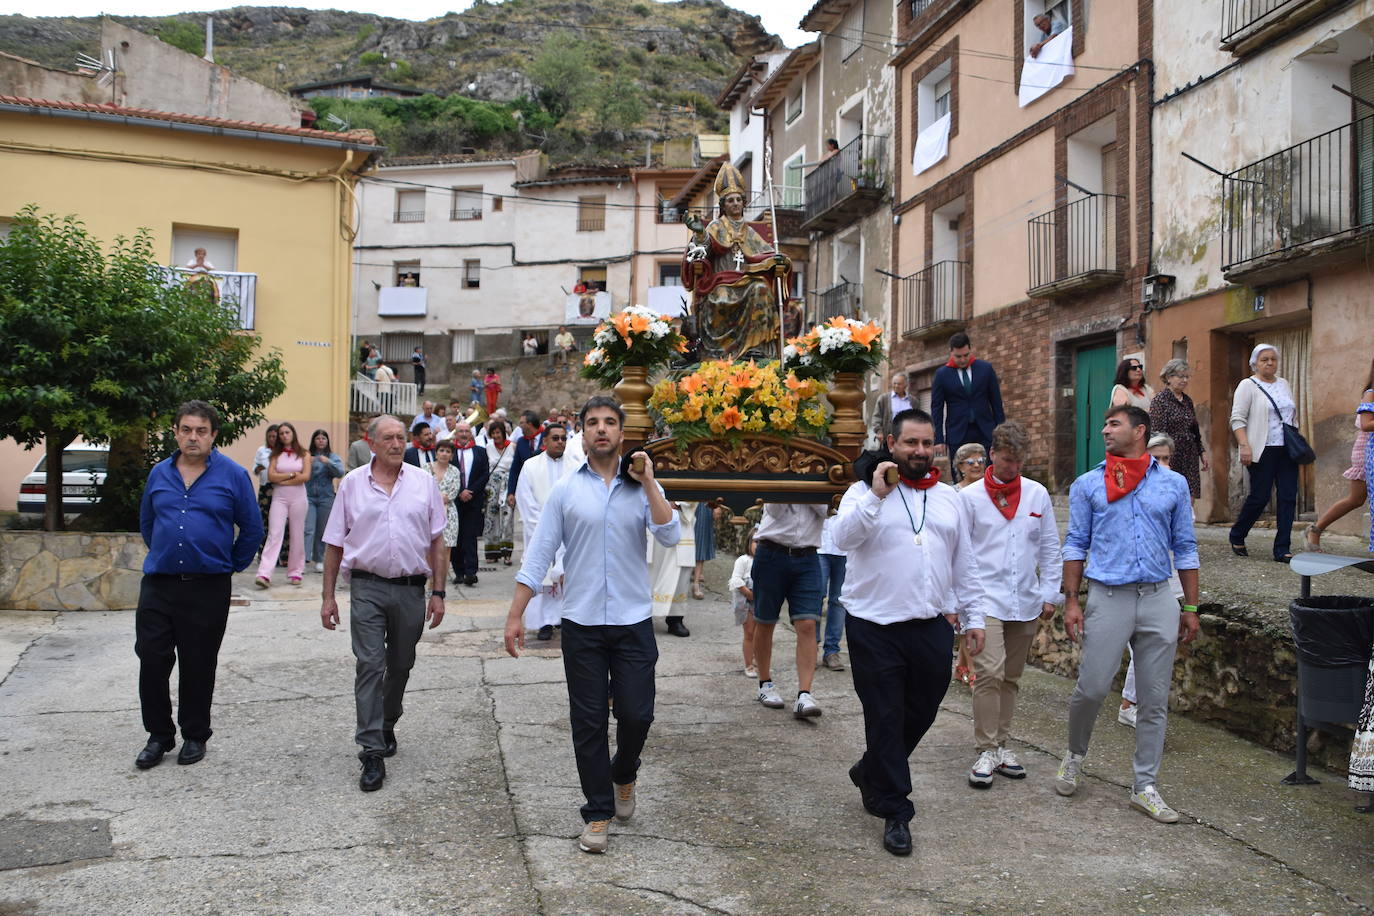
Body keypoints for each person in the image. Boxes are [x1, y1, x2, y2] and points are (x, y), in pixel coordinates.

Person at [503, 396, 679, 855]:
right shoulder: (566, 490)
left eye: (610, 422)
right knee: (588, 720)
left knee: (637, 714)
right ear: (582, 433)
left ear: (621, 432)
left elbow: (670, 533)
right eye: (594, 423)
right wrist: (516, 614)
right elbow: (539, 554)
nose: (602, 429)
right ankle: (598, 811)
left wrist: (650, 481)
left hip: (632, 621)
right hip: (581, 623)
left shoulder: (641, 486)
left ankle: (624, 772)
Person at [830, 408, 987, 855]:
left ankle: (871, 769)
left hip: (930, 623)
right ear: (891, 443)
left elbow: (964, 562)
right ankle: (895, 809)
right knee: (884, 715)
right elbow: (841, 539)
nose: (920, 451)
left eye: (927, 443)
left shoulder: (950, 498)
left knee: (923, 708)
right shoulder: (863, 490)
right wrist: (876, 496)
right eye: (911, 443)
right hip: (873, 624)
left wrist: (974, 617)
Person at [1056, 405, 1200, 824]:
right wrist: (1071, 601)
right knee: (1092, 688)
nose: (1105, 430)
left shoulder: (1173, 484)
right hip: (1109, 596)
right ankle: (1074, 755)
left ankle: (1145, 785)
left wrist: (1191, 606)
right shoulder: (1088, 484)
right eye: (1105, 423)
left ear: (1140, 432)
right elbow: (1075, 544)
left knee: (1153, 698)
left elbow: (1186, 547)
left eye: (1113, 424)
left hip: (1158, 597)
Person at [321, 414, 448, 793]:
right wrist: (328, 597)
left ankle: (388, 720)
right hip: (367, 588)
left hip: (410, 589)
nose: (396, 444)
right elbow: (334, 543)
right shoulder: (352, 485)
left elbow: (438, 543)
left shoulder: (424, 483)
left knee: (401, 663)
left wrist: (438, 593)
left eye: (401, 437)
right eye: (388, 438)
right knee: (369, 664)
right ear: (371, 443)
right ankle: (371, 750)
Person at [134, 401, 262, 770]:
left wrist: (229, 565)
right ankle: (159, 736)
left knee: (198, 662)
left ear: (213, 435)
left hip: (207, 587)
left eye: (201, 431)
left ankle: (194, 734)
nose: (193, 437)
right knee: (152, 659)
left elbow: (252, 528)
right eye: (186, 430)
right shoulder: (159, 473)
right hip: (159, 584)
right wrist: (166, 553)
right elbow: (147, 522)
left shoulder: (233, 475)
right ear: (175, 432)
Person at [959, 420, 1061, 788]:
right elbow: (960, 553)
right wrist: (961, 604)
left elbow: (1049, 546)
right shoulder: (969, 498)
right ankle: (985, 749)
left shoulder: (1036, 494)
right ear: (992, 454)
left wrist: (1050, 592)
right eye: (1006, 460)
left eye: (1018, 461)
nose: (1012, 468)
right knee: (989, 672)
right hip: (984, 599)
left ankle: (1002, 745)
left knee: (1011, 677)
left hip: (1025, 598)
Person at [682, 162, 793, 360]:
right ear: (723, 205)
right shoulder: (715, 227)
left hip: (747, 280)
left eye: (738, 200)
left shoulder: (749, 232)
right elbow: (702, 249)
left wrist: (780, 262)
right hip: (720, 282)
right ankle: (718, 353)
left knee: (761, 289)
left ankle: (756, 347)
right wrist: (699, 234)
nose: (735, 203)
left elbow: (767, 254)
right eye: (730, 200)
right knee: (721, 298)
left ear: (743, 203)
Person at [1118, 433, 1189, 728]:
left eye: (1166, 458)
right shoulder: (1126, 493)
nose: (1162, 464)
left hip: (1169, 583)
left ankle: (1135, 703)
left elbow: (1185, 542)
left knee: (1157, 648)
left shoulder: (1176, 490)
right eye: (1155, 458)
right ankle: (1131, 704)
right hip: (1134, 582)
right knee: (1144, 648)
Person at [751, 501, 829, 718]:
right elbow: (775, 510)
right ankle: (765, 683)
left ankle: (805, 694)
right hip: (771, 552)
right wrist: (794, 490)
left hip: (808, 556)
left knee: (808, 623)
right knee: (765, 621)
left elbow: (826, 510)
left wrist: (806, 489)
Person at [1228, 343, 1302, 563]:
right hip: (1262, 448)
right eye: (1264, 359)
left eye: (1273, 359)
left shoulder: (1284, 384)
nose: (1270, 363)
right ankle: (1238, 533)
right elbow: (1237, 418)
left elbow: (1291, 415)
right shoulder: (1247, 385)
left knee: (1288, 497)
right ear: (1255, 363)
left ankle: (1282, 548)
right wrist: (1244, 445)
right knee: (1260, 497)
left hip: (1287, 449)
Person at [514, 422, 572, 640]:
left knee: (567, 574)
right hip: (538, 532)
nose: (560, 442)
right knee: (542, 575)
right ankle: (544, 623)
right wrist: (546, 530)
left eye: (563, 438)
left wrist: (565, 528)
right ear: (545, 441)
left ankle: (565, 618)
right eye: (555, 438)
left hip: (568, 533)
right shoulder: (530, 466)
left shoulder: (576, 466)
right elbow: (525, 500)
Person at [1306, 366, 1374, 551]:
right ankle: (1315, 529)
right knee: (1355, 499)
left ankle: (1315, 530)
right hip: (1366, 452)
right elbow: (1367, 424)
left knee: (1356, 499)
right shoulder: (1370, 394)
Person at [931, 332, 1005, 481]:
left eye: (966, 355)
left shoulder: (985, 369)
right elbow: (936, 408)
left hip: (985, 430)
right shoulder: (941, 375)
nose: (963, 360)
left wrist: (1001, 431)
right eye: (958, 356)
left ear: (970, 349)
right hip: (957, 432)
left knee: (989, 473)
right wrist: (938, 439)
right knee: (960, 475)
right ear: (951, 352)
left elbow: (996, 402)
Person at [255, 422, 307, 588]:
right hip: (279, 498)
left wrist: (282, 478)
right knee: (274, 533)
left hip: (298, 498)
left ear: (293, 433)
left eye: (287, 432)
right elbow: (271, 477)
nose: (284, 435)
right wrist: (291, 475)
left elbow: (305, 477)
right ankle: (264, 573)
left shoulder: (304, 454)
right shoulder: (275, 455)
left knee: (297, 534)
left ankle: (296, 571)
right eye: (281, 433)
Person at [1148, 359, 1208, 501]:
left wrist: (1202, 452)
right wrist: (1163, 458)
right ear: (1169, 377)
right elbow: (1157, 434)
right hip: (1171, 455)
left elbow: (1194, 430)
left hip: (1190, 455)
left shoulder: (1187, 401)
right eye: (1181, 376)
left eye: (1187, 377)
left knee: (1189, 495)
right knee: (1171, 495)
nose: (1185, 380)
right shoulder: (1160, 401)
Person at [449, 421, 490, 587]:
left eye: (467, 431)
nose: (464, 434)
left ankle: (471, 572)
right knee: (456, 537)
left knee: (470, 537)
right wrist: (460, 491)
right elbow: (447, 473)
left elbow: (484, 474)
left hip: (473, 500)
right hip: (455, 500)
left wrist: (470, 491)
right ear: (456, 434)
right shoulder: (450, 451)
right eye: (461, 431)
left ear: (471, 434)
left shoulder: (480, 451)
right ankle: (458, 572)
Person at [649, 500, 695, 638]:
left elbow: (695, 490)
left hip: (679, 518)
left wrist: (677, 503)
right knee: (648, 570)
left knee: (679, 572)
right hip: (651, 516)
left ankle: (675, 619)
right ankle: (642, 619)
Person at [304, 429, 344, 573]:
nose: (321, 441)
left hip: (326, 497)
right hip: (308, 497)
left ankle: (319, 559)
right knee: (308, 529)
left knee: (322, 530)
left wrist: (328, 462)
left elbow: (340, 472)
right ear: (313, 441)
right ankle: (304, 559)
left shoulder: (333, 457)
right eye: (318, 438)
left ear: (327, 441)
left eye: (323, 438)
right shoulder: (307, 456)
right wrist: (307, 462)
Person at [484, 419, 518, 565]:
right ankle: (492, 551)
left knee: (507, 516)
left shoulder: (512, 446)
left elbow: (516, 467)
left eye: (498, 432)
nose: (496, 436)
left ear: (503, 433)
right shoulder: (488, 447)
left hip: (507, 484)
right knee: (491, 517)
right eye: (493, 433)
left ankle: (506, 553)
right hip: (492, 485)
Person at [817, 512, 847, 671]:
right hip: (820, 546)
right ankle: (810, 647)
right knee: (816, 597)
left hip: (845, 550)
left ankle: (831, 651)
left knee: (839, 601)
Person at [429, 439, 462, 583]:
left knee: (446, 548)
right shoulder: (426, 468)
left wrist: (441, 496)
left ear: (452, 456)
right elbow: (422, 490)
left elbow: (453, 493)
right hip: (429, 513)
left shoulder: (454, 471)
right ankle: (430, 579)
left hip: (449, 514)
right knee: (429, 547)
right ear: (436, 453)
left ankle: (441, 581)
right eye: (441, 450)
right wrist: (438, 497)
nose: (444, 454)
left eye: (448, 451)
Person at [728, 532, 759, 677]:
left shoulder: (769, 562)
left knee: (761, 633)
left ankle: (758, 659)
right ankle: (749, 664)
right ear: (749, 542)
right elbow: (736, 579)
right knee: (749, 633)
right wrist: (748, 593)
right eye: (756, 542)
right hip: (746, 602)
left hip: (762, 601)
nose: (759, 546)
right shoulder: (743, 561)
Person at [506, 410, 543, 506]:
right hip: (526, 489)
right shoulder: (521, 442)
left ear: (529, 424)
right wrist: (511, 492)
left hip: (544, 486)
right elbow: (515, 468)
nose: (519, 426)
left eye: (522, 423)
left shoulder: (547, 437)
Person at [252, 424, 279, 556]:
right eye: (270, 436)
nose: (272, 439)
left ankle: (280, 554)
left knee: (278, 521)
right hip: (265, 488)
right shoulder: (262, 450)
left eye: (275, 436)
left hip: (280, 487)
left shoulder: (283, 451)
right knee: (263, 519)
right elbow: (255, 467)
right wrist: (259, 469)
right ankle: (262, 551)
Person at [873, 372, 913, 441]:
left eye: (899, 384)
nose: (896, 386)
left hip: (908, 438)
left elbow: (917, 419)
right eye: (894, 383)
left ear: (905, 385)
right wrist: (879, 431)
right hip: (889, 438)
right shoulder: (884, 399)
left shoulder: (913, 401)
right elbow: (876, 417)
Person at [691, 499, 718, 600]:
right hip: (685, 501)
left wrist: (718, 506)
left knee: (701, 540)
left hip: (704, 502)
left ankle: (696, 583)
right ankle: (693, 572)